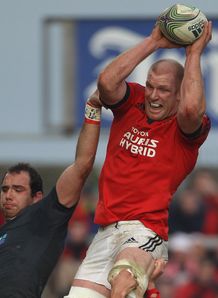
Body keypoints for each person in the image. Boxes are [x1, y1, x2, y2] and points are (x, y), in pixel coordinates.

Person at [66, 20, 212, 298]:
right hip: (104, 233)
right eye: (150, 86)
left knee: (124, 282)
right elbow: (107, 82)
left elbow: (192, 108)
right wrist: (153, 42)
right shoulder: (133, 100)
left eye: (164, 90)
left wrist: (193, 54)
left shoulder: (185, 131)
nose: (153, 96)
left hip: (145, 232)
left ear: (179, 94)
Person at [0, 90, 101, 298]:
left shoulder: (43, 216)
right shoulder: (4, 229)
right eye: (5, 189)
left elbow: (82, 166)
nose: (8, 195)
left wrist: (92, 109)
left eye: (18, 189)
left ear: (37, 197)